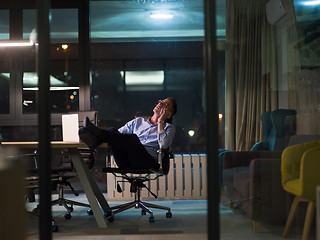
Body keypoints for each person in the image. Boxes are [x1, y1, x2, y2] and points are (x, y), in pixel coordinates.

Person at [78, 97, 177, 170]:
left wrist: (161, 121)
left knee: (132, 138)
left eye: (166, 104)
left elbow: (163, 145)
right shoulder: (137, 121)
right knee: (113, 131)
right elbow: (116, 136)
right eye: (161, 101)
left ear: (170, 113)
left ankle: (95, 138)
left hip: (146, 161)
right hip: (126, 160)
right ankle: (95, 139)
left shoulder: (169, 128)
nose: (160, 104)